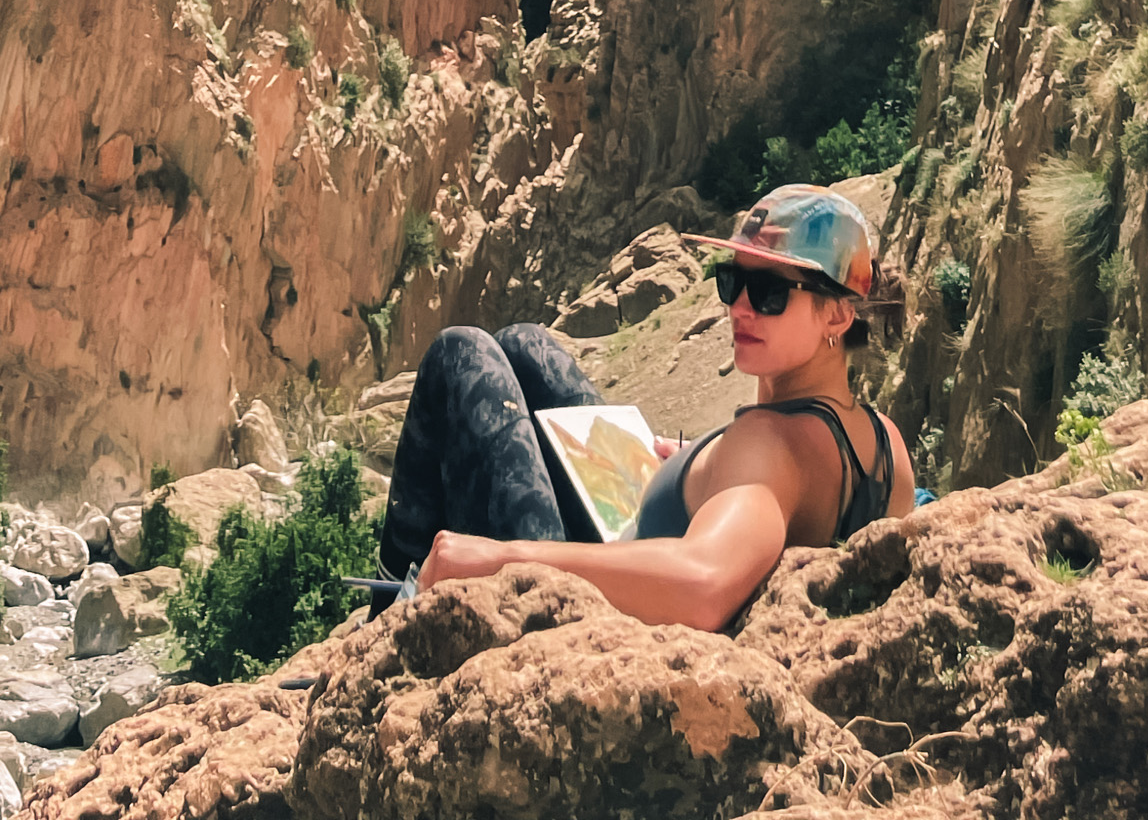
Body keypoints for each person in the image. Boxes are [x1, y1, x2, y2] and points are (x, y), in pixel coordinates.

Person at [379, 184, 914, 630]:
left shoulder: (768, 445)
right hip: (639, 544)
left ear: (838, 317)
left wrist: (497, 560)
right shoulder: (884, 440)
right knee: (526, 346)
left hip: (598, 622)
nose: (741, 307)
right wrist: (697, 467)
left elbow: (704, 582)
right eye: (733, 282)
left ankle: (387, 610)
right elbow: (778, 495)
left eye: (770, 292)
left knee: (460, 355)